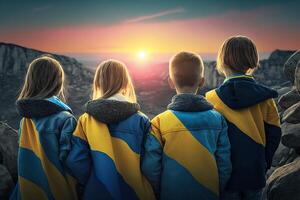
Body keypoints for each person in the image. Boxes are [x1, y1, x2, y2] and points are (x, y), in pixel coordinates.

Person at [142, 51, 232, 200]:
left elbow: (150, 167)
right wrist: (217, 190)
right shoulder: (218, 120)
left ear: (170, 82)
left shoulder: (159, 123)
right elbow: (224, 165)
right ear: (202, 81)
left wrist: (162, 191)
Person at [206, 35, 282, 200]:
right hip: (255, 173)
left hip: (225, 177)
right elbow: (275, 134)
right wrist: (264, 163)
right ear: (253, 61)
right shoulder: (266, 98)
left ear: (222, 61)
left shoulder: (211, 98)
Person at [66, 59, 155, 200]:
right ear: (126, 83)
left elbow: (76, 161)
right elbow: (150, 163)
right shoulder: (141, 120)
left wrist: (92, 183)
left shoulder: (85, 120)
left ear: (98, 83)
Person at [10, 55, 77, 200]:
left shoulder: (24, 120)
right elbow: (72, 162)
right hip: (58, 192)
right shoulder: (65, 119)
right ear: (58, 82)